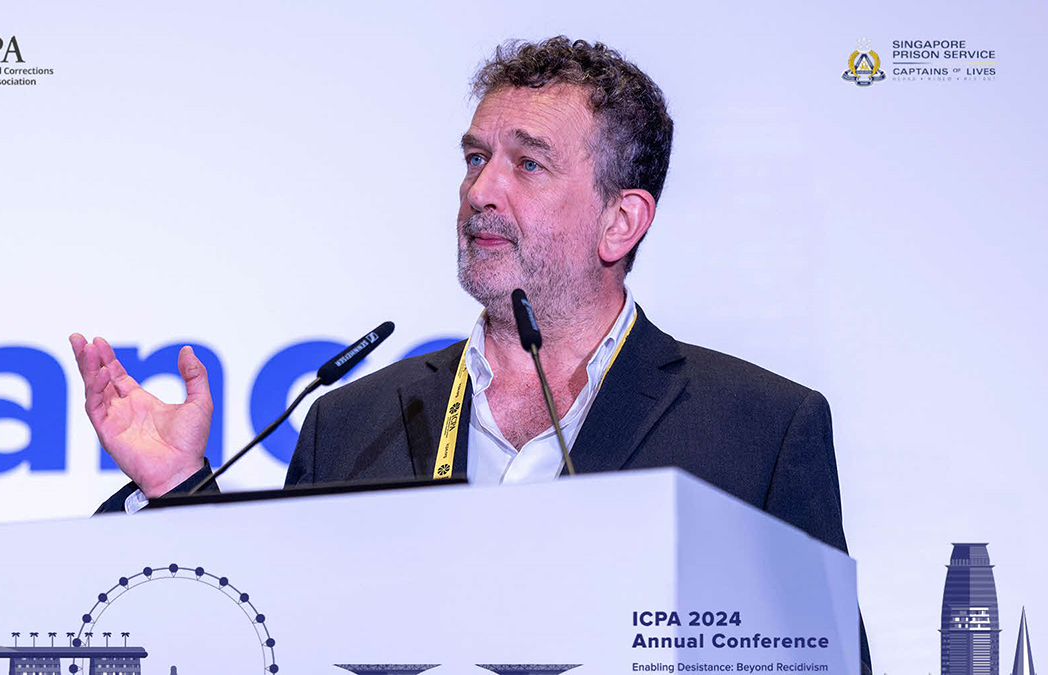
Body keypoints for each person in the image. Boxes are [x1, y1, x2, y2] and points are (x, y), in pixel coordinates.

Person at [69, 37, 870, 672]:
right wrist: (179, 490)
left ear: (620, 221)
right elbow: (266, 639)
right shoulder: (352, 423)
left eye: (528, 163)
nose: (481, 191)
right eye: (475, 158)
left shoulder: (760, 429)